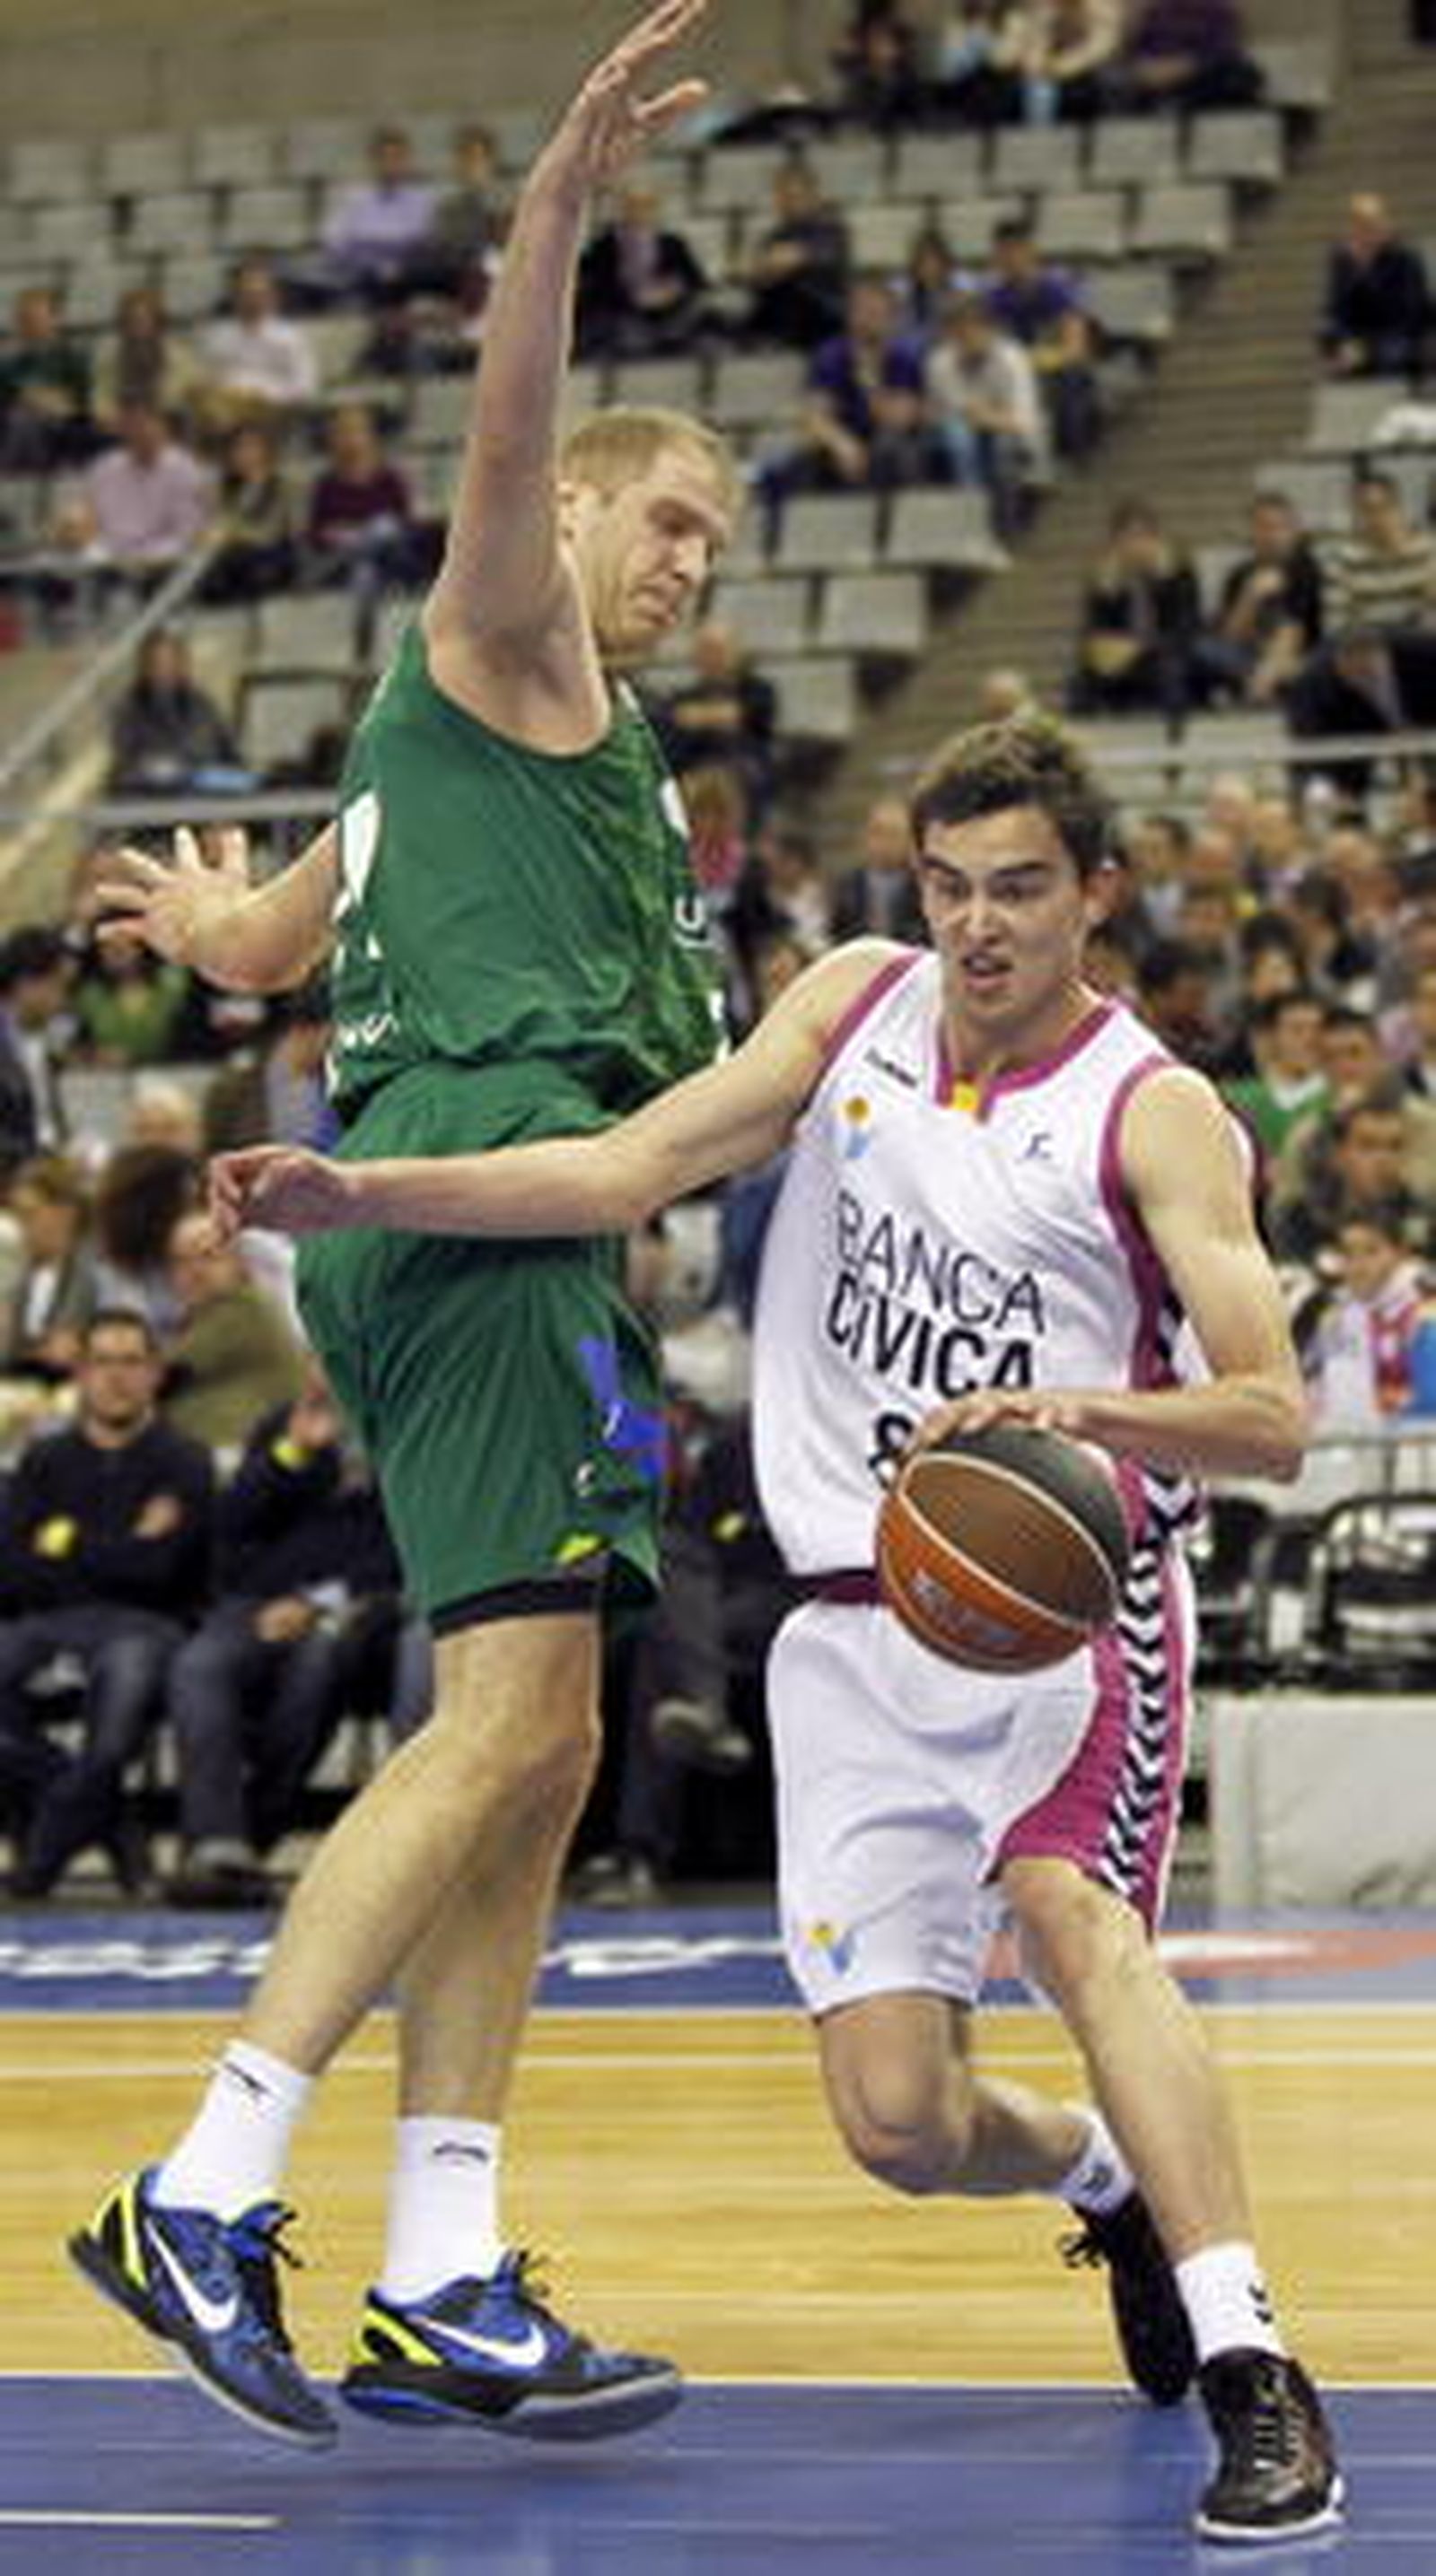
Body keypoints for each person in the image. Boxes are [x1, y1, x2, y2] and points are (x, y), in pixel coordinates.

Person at [210, 712, 1342, 2545]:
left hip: (1065, 1615)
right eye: (949, 885)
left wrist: (1080, 1414)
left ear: (1096, 897)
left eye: (1021, 891)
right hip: (848, 1623)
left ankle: (1252, 2366)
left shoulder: (1152, 1109)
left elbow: (1270, 1413)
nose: (978, 927)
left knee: (1072, 1922)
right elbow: (614, 1170)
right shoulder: (850, 1007)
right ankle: (1102, 2175)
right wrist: (359, 1187)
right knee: (898, 2121)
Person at [74, 0, 740, 2457]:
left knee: (543, 1741)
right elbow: (504, 429)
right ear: (573, 515)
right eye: (666, 514)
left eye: (711, 544)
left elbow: (273, 950)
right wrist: (555, 206)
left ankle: (445, 2246)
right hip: (471, 1199)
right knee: (501, 1728)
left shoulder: (499, 762)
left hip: (475, 1198)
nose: (686, 562)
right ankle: (214, 2175)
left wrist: (213, 905)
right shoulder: (512, 633)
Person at [0, 1308, 214, 1900]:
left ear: (155, 1372)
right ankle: (117, 1829)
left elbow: (162, 1572)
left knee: (118, 1712)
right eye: (102, 1361)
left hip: (147, 1626)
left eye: (132, 1361)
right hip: (46, 1621)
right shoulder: (43, 1460)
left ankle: (35, 1866)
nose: (117, 1376)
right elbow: (15, 1571)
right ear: (80, 1372)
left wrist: (66, 1541)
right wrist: (125, 1546)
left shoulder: (184, 1459)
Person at [1318, 194, 1430, 382]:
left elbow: (1411, 312)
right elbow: (1336, 310)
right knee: (1335, 348)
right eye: (1359, 227)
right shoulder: (1343, 261)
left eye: (1371, 226)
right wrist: (1343, 340)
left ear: (1385, 225)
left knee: (1391, 354)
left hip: (1398, 336)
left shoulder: (1404, 257)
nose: (1365, 233)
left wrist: (1368, 348)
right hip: (1360, 340)